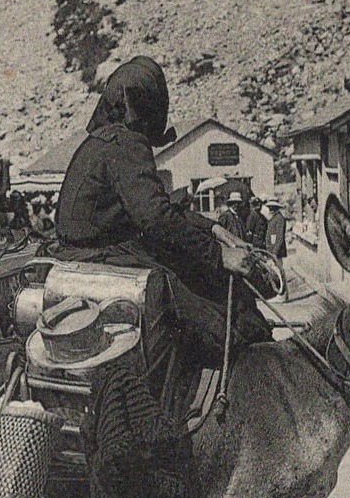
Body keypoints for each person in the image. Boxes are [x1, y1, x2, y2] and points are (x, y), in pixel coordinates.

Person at [56, 56, 269, 377]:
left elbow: (156, 206)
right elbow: (154, 217)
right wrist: (219, 255)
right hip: (105, 256)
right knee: (208, 315)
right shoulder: (126, 144)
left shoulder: (100, 142)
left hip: (85, 252)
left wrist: (212, 228)